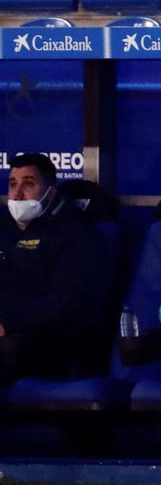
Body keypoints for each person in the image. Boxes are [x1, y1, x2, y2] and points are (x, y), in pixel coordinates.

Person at [0, 153, 107, 380]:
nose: (18, 194)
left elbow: (65, 305)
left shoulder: (78, 235)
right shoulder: (3, 229)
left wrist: (8, 323)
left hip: (53, 343)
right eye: (12, 184)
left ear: (51, 192)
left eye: (28, 184)